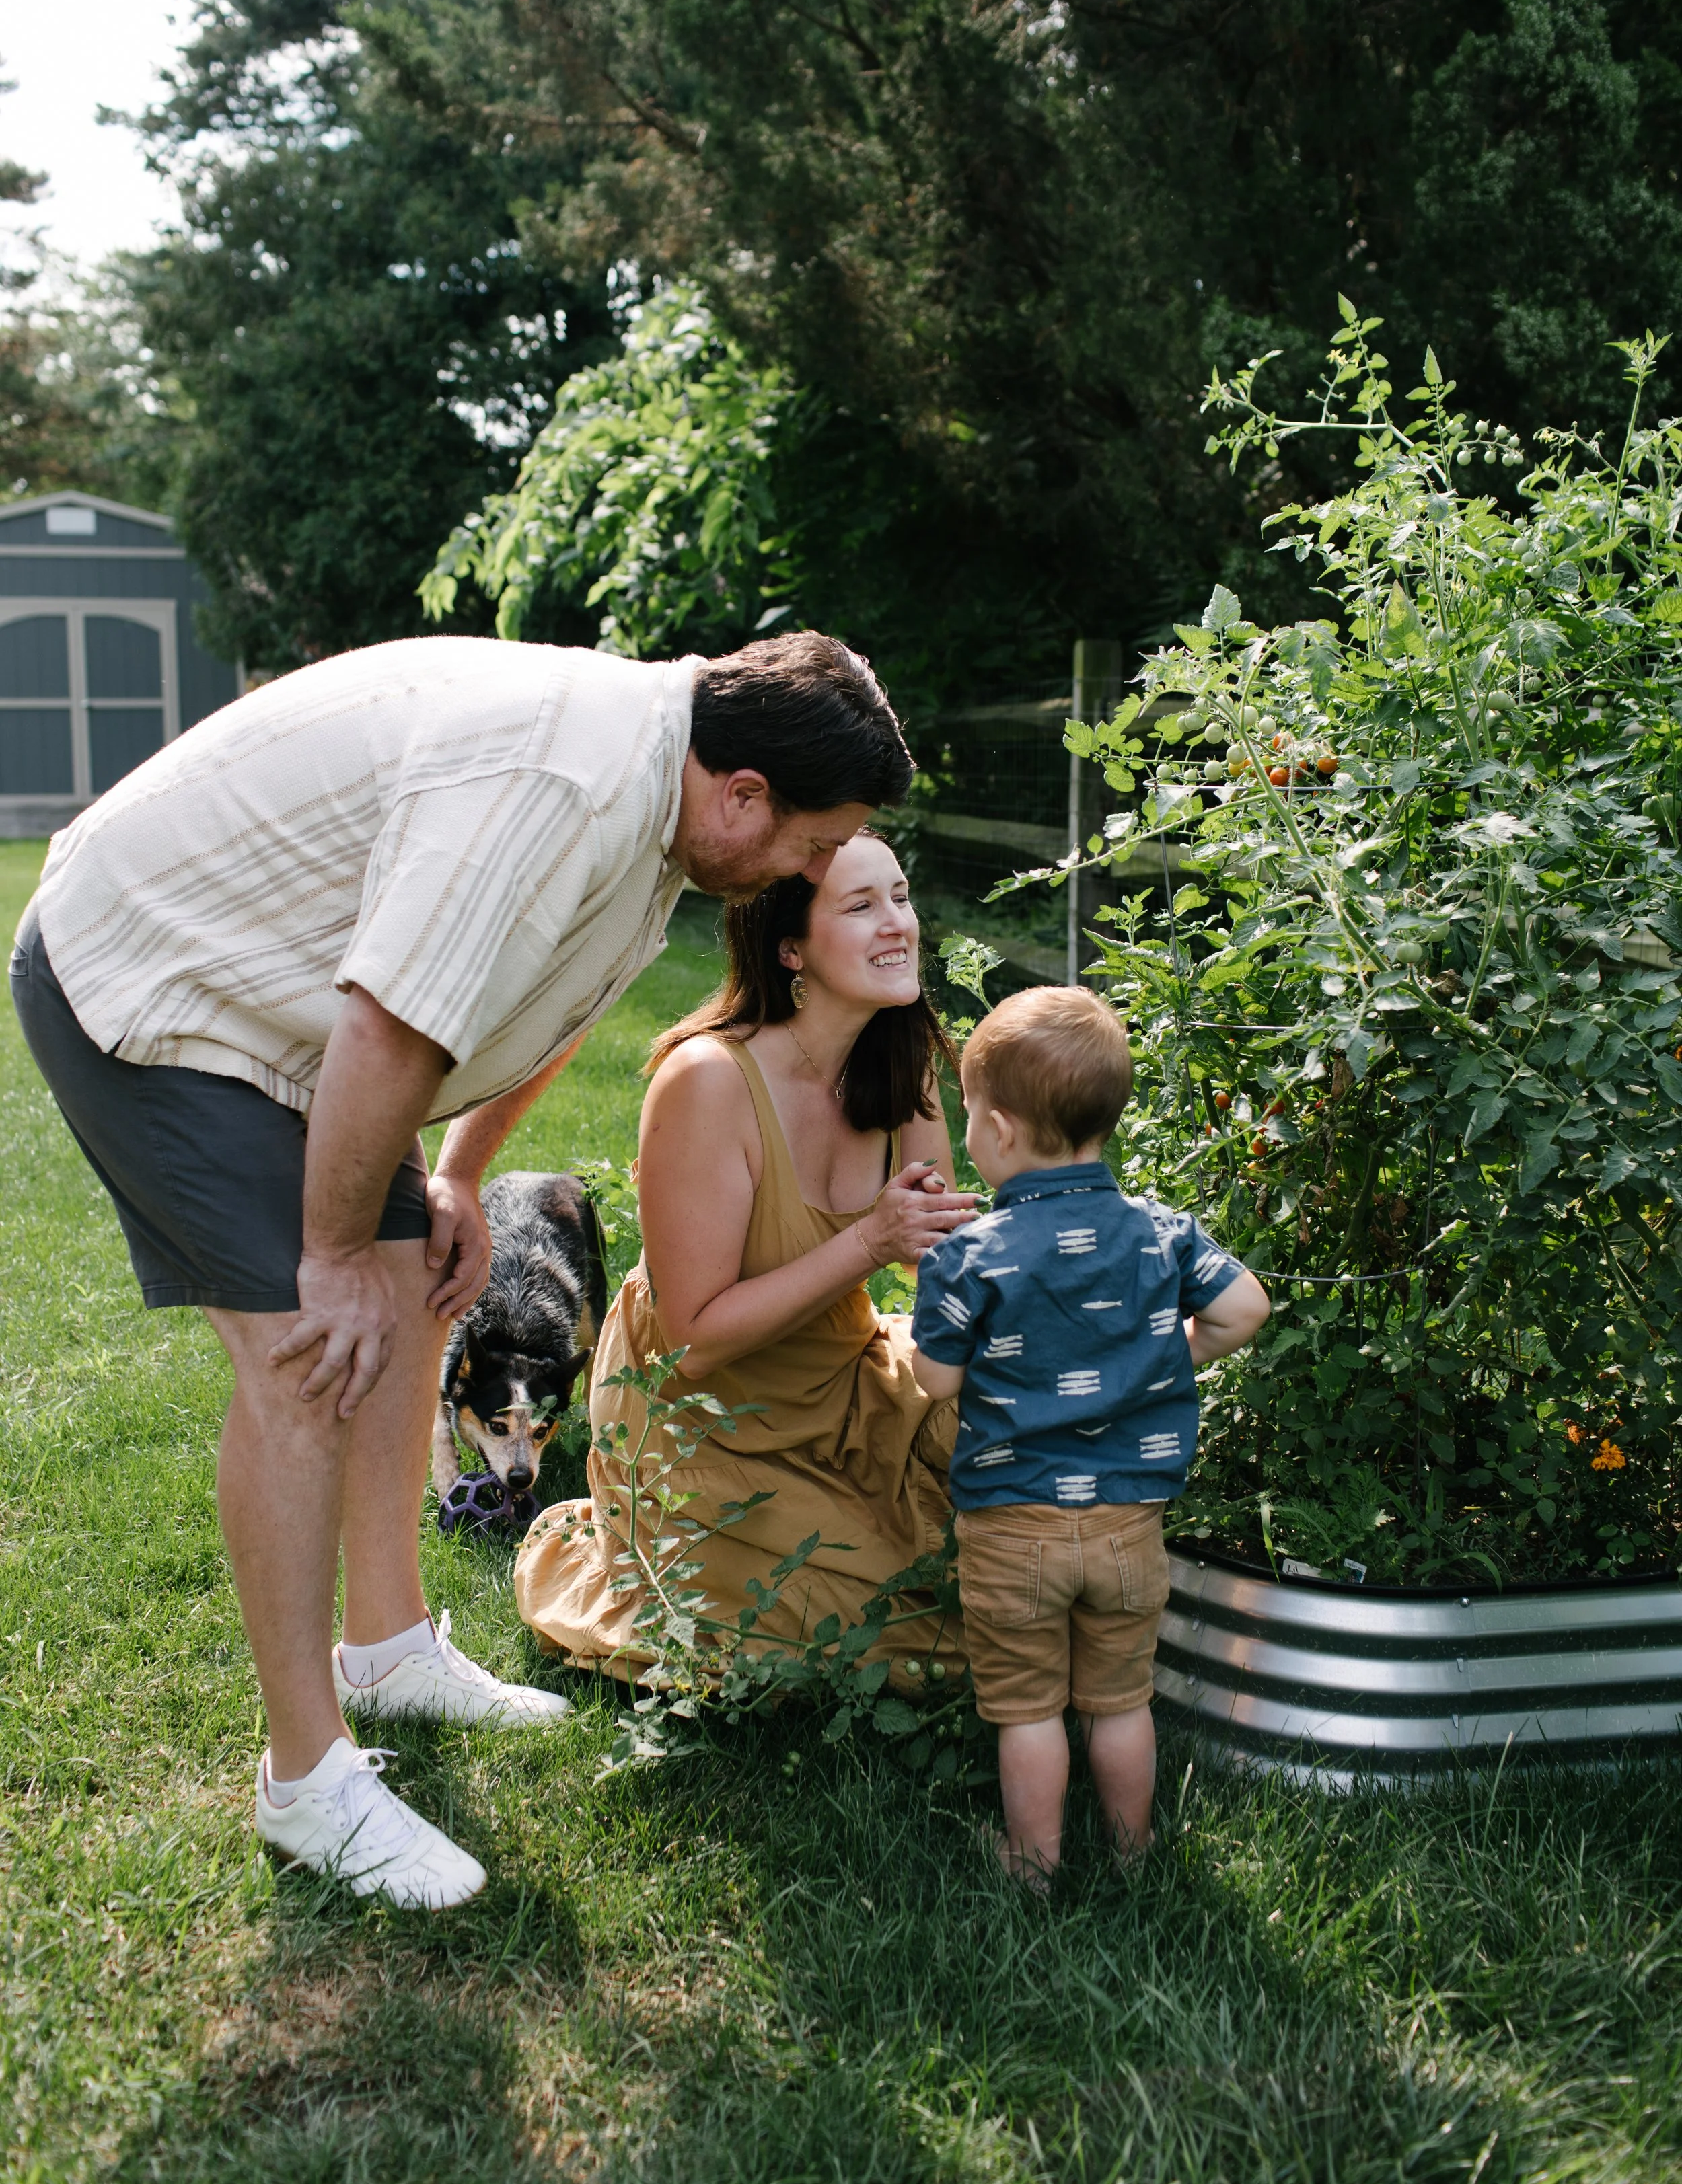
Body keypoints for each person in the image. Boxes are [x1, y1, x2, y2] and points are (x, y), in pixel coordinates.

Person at [9, 630, 912, 1909]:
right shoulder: (567, 783)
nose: (808, 874)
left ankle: (386, 1650)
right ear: (744, 794)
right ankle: (305, 1780)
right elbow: (392, 1015)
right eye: (815, 849)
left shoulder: (663, 806)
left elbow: (555, 1000)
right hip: (154, 976)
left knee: (410, 1297)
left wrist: (453, 1176)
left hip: (289, 1017)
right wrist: (326, 1256)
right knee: (308, 1352)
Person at [515, 829, 977, 1675]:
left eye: (902, 898)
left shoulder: (899, 1056)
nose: (897, 924)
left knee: (1021, 1513)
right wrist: (872, 1238)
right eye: (862, 905)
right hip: (707, 1418)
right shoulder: (709, 1081)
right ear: (790, 947)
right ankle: (607, 1543)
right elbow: (693, 1343)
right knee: (893, 1634)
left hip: (844, 1374)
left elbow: (934, 1259)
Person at [910, 987, 1270, 1886]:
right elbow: (1244, 1307)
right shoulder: (1160, 1232)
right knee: (1120, 1699)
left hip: (1011, 1525)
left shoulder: (970, 1252)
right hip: (1129, 1525)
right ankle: (1135, 1856)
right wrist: (1175, 1354)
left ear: (996, 1131)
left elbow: (938, 1379)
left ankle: (1033, 1865)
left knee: (1028, 1706)